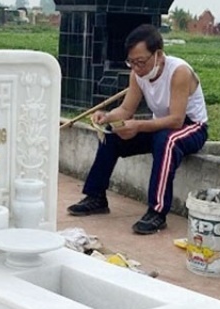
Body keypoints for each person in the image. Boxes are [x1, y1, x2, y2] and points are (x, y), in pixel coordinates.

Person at [66, 24, 208, 235]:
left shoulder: (179, 72)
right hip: (161, 125)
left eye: (141, 62)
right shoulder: (137, 74)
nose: (136, 68)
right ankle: (96, 197)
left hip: (191, 127)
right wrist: (106, 116)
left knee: (166, 141)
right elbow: (126, 109)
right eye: (131, 62)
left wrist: (138, 125)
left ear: (158, 55)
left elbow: (177, 120)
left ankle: (157, 212)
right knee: (111, 135)